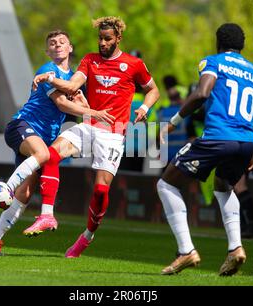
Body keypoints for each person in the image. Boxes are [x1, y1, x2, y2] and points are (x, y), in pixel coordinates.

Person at [23, 16, 160, 258]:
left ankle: (86, 236)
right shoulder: (89, 60)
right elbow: (72, 85)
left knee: (100, 191)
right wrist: (51, 78)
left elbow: (153, 90)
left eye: (108, 39)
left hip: (113, 134)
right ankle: (46, 215)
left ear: (118, 39)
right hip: (88, 125)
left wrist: (144, 108)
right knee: (50, 155)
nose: (103, 43)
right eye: (100, 38)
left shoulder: (134, 64)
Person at [0, 30, 114, 255]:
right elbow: (62, 104)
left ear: (70, 48)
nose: (58, 45)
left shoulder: (73, 80)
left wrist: (88, 107)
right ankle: (7, 187)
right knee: (43, 155)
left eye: (62, 42)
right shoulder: (47, 71)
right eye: (52, 43)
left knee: (25, 193)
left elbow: (79, 104)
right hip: (21, 126)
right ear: (47, 51)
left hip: (40, 138)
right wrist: (92, 111)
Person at [156, 23, 253, 276]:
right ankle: (235, 248)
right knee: (223, 185)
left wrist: (173, 122)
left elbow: (201, 94)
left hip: (218, 137)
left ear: (218, 42)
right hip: (245, 141)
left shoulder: (214, 62)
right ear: (242, 45)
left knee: (166, 184)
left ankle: (186, 250)